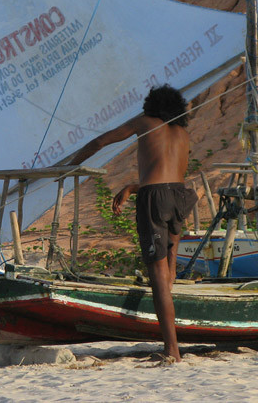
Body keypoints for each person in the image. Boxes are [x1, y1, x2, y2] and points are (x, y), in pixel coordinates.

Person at [70, 84, 197, 363]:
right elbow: (166, 176)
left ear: (152, 105)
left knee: (158, 277)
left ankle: (172, 350)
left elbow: (102, 141)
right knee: (169, 273)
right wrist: (131, 186)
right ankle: (170, 337)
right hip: (179, 197)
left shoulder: (145, 123)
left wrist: (70, 164)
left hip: (154, 200)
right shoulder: (182, 133)